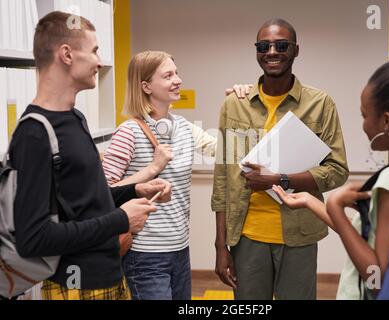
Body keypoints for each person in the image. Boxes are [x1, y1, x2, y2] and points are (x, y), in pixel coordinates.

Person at [9, 11, 171, 300]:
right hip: (75, 286)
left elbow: (83, 201)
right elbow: (33, 238)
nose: (99, 61)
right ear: (67, 54)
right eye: (94, 50)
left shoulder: (75, 118)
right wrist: (121, 220)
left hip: (107, 277)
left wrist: (134, 190)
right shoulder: (34, 133)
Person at [273, 35, 389, 299]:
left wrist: (334, 205)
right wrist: (311, 202)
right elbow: (368, 238)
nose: (364, 125)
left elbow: (378, 277)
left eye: (365, 115)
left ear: (387, 121)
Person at [212, 18, 349, 300]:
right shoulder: (234, 105)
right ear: (257, 51)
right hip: (246, 236)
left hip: (299, 234)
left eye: (281, 45)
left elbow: (337, 170)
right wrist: (220, 246)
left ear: (296, 50)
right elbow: (222, 180)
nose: (272, 51)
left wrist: (280, 180)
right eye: (264, 46)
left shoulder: (320, 103)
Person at [102, 50, 249, 300]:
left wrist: (241, 105)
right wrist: (152, 169)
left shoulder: (183, 127)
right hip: (144, 254)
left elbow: (230, 151)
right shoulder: (128, 132)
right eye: (168, 75)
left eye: (176, 73)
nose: (178, 79)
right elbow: (103, 192)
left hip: (180, 250)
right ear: (146, 86)